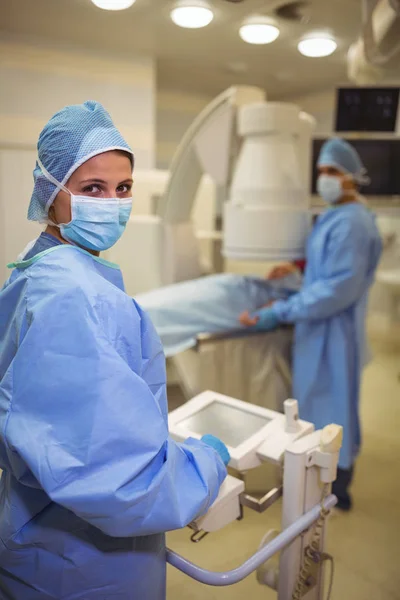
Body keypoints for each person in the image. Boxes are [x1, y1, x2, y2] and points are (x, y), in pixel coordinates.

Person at [0, 101, 230, 600]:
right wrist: (205, 465)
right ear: (50, 192)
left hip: (40, 532)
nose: (112, 203)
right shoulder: (72, 296)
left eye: (122, 188)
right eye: (92, 189)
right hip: (83, 562)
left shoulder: (40, 267)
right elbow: (121, 482)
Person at [240, 138, 382, 511]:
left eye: (332, 171)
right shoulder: (337, 215)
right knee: (317, 407)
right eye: (321, 171)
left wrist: (278, 311)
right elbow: (324, 265)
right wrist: (296, 267)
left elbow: (336, 290)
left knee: (333, 407)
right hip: (317, 329)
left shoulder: (354, 223)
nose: (325, 179)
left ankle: (337, 485)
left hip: (334, 332)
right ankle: (318, 477)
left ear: (351, 176)